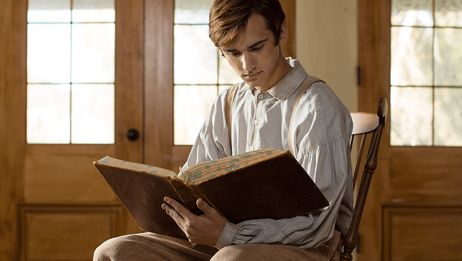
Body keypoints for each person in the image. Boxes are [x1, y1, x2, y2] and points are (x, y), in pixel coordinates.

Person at [94, 0, 353, 260]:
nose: (246, 65)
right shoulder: (227, 104)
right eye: (232, 52)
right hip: (221, 241)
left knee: (230, 258)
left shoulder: (318, 107)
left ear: (281, 32)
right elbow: (191, 182)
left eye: (256, 47)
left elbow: (318, 224)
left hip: (306, 248)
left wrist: (231, 236)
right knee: (114, 251)